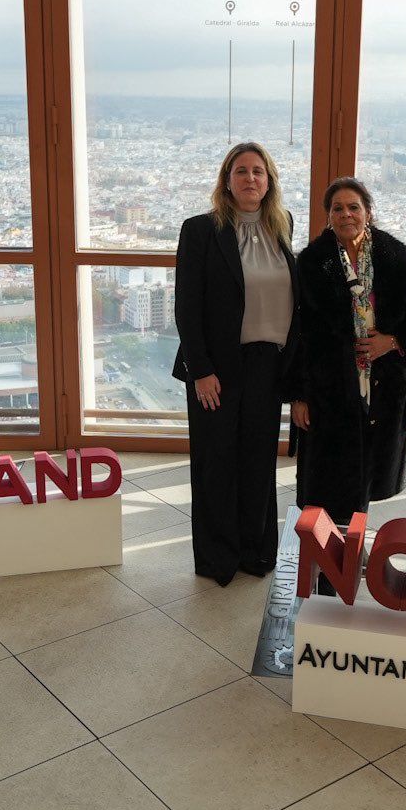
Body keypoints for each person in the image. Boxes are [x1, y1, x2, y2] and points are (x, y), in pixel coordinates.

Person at [173, 142, 297, 586]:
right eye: (241, 171)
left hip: (268, 362)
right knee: (215, 461)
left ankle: (255, 549)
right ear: (227, 180)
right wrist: (200, 368)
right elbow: (187, 307)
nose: (250, 179)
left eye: (258, 172)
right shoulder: (201, 230)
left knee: (257, 460)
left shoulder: (282, 227)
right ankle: (216, 557)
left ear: (269, 181)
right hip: (216, 367)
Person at [288, 177, 406, 522]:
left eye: (354, 207)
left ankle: (352, 552)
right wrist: (299, 394)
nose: (346, 214)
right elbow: (300, 332)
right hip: (329, 387)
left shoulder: (394, 256)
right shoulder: (312, 262)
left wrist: (392, 342)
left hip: (382, 382)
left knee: (369, 476)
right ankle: (332, 560)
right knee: (329, 481)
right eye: (337, 208)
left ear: (368, 212)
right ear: (327, 216)